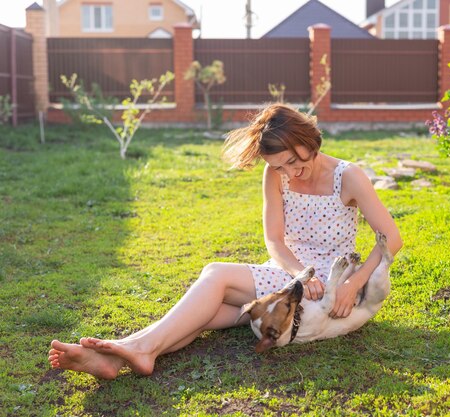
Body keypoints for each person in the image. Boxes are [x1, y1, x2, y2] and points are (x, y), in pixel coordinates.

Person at [48, 103, 403, 379]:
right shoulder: (274, 176)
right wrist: (299, 275)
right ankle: (124, 354)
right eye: (280, 167)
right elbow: (275, 241)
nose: (290, 173)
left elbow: (392, 238)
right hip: (290, 274)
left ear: (310, 141)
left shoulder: (348, 176)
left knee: (215, 277)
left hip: (332, 282)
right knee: (203, 313)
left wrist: (352, 283)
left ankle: (129, 349)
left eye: (294, 161)